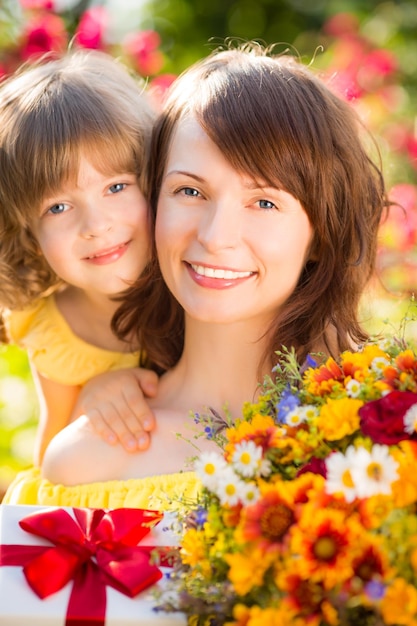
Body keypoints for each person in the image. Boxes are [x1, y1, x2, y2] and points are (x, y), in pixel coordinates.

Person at [3, 43, 389, 511]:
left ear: (323, 231)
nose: (216, 236)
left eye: (264, 202)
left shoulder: (383, 428)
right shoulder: (86, 462)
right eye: (189, 190)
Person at [0, 49, 159, 465]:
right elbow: (51, 462)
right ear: (30, 235)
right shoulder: (54, 330)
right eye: (57, 208)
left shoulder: (198, 284)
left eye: (116, 187)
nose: (95, 225)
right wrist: (91, 400)